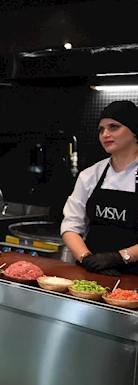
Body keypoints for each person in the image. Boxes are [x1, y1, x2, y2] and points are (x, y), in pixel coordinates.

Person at [62, 100, 138, 276]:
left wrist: (120, 257)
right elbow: (71, 225)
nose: (105, 134)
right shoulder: (90, 175)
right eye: (101, 129)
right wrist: (87, 259)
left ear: (134, 131)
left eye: (113, 127)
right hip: (92, 274)